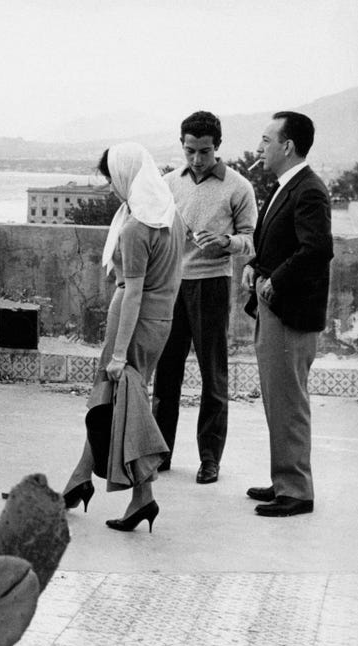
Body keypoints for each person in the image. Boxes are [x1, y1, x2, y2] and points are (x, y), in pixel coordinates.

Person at [62, 142, 185, 532]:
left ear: (125, 175)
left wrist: (117, 353)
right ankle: (80, 478)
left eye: (111, 179)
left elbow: (132, 290)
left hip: (132, 322)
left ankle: (143, 496)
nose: (112, 188)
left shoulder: (136, 227)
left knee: (125, 403)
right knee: (114, 401)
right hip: (159, 320)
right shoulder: (170, 215)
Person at [151, 111, 257, 484]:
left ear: (218, 147)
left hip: (211, 285)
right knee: (166, 372)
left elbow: (251, 239)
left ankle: (210, 458)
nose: (197, 159)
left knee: (214, 375)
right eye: (190, 151)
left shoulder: (239, 186)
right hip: (170, 286)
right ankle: (160, 452)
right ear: (182, 146)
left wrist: (226, 243)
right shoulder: (166, 183)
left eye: (205, 152)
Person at [243, 112, 333, 517]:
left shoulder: (309, 190)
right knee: (278, 399)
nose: (260, 148)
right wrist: (256, 265)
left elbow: (315, 249)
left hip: (289, 313)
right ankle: (285, 479)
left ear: (287, 146)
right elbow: (279, 243)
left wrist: (274, 280)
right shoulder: (285, 187)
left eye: (265, 140)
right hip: (275, 307)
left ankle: (296, 489)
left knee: (288, 401)